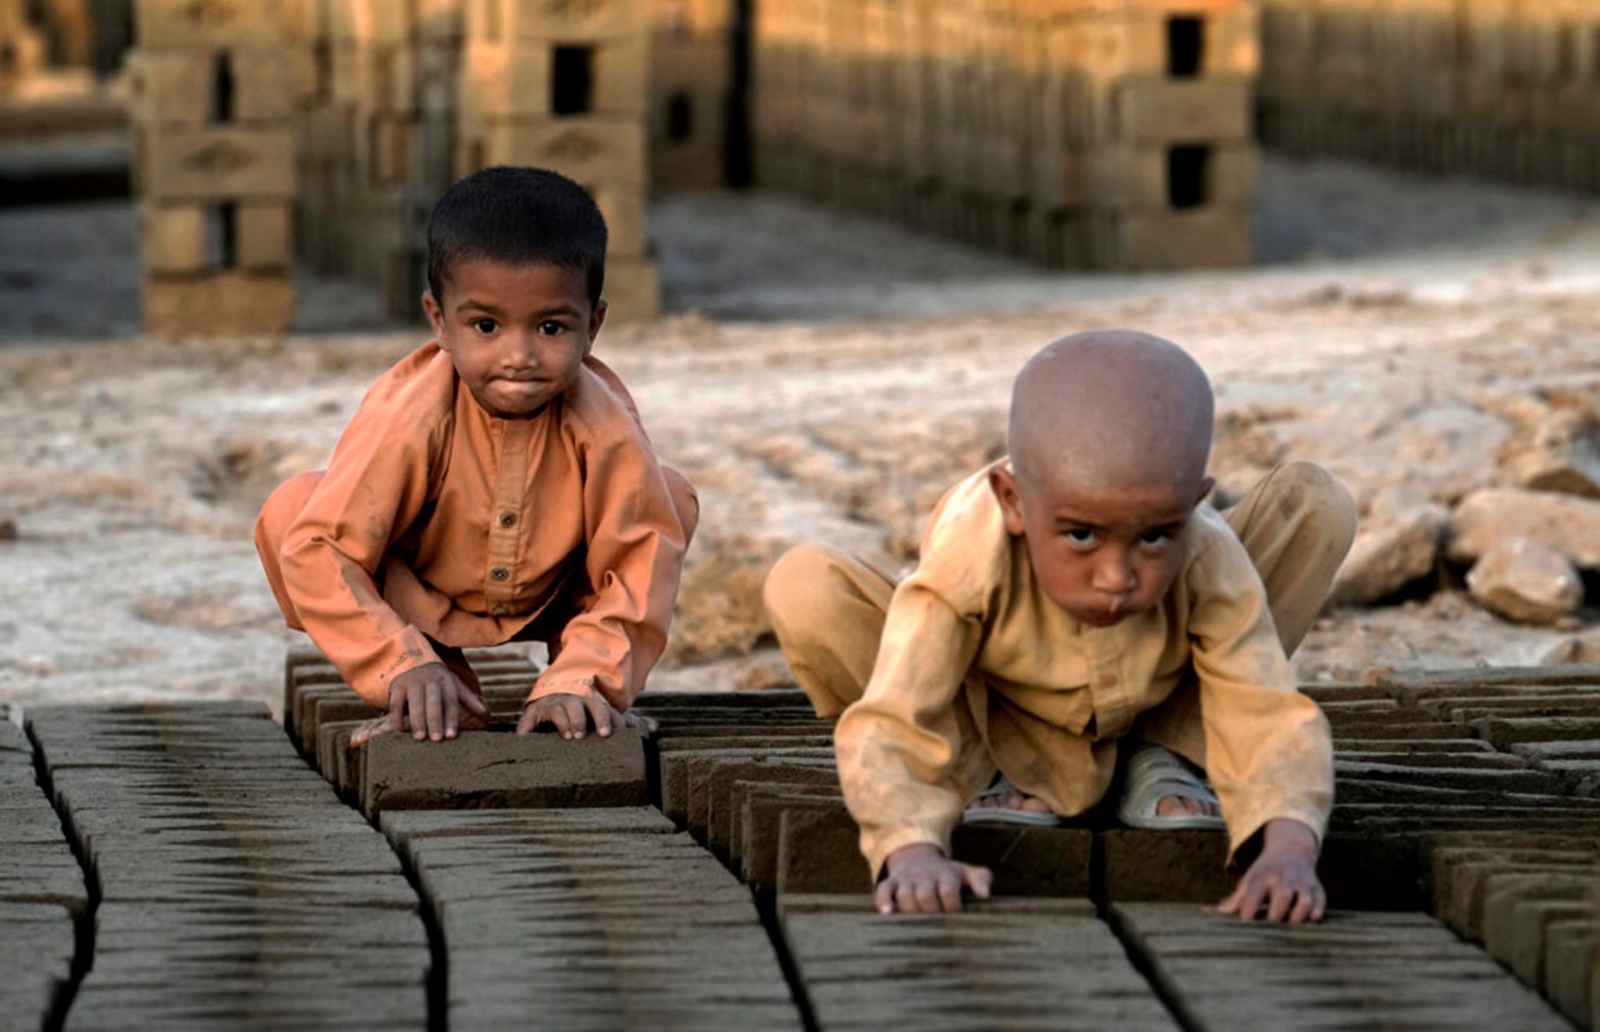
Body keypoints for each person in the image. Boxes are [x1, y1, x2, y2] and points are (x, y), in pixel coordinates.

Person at [763, 330, 1356, 923]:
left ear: (1196, 502)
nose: (1116, 577)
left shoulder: (1204, 546)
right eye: (1080, 535)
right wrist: (911, 851)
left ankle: (1171, 751)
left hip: (1164, 699)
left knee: (1315, 501)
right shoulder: (973, 547)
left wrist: (1288, 848)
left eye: (1154, 536)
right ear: (1013, 500)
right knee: (805, 585)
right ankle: (987, 769)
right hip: (996, 721)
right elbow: (896, 712)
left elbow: (1265, 706)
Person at [256, 166, 696, 746]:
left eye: (550, 327)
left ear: (594, 325)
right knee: (297, 512)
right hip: (420, 596)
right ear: (439, 320)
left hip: (556, 593)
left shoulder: (605, 425)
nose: (519, 355)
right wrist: (400, 663)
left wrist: (588, 678)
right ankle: (439, 684)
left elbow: (638, 560)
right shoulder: (411, 415)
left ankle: (573, 685)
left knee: (668, 498)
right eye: (486, 325)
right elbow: (324, 549)